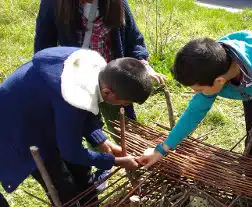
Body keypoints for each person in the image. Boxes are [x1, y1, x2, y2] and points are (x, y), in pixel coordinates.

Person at [0, 46, 151, 207]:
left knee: (82, 173)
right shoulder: (72, 95)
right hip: (20, 129)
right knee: (62, 185)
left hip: (44, 114)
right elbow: (70, 151)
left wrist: (101, 140)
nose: (123, 107)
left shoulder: (95, 72)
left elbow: (84, 111)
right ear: (108, 92)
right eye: (124, 102)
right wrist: (113, 161)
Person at [137, 30, 252, 169]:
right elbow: (193, 113)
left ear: (220, 81)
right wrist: (161, 150)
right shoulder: (213, 70)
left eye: (198, 89)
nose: (197, 93)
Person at [34, 0, 165, 133]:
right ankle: (100, 150)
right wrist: (47, 80)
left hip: (113, 79)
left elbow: (133, 38)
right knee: (89, 127)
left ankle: (127, 150)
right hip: (78, 81)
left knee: (124, 127)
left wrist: (143, 64)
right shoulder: (53, 4)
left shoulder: (117, 3)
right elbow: (43, 44)